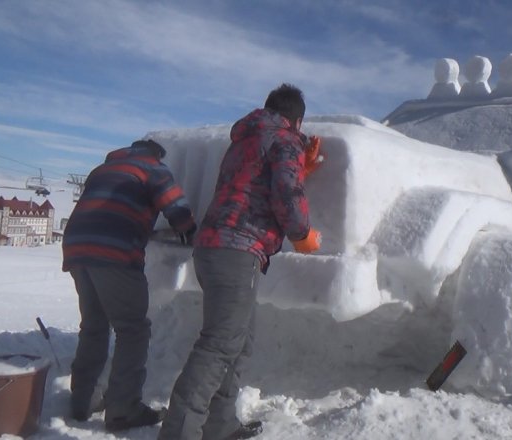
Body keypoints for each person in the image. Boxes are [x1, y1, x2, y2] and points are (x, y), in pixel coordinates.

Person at [158, 83, 323, 440]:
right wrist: (302, 233)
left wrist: (300, 168)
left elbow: (254, 184)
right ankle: (178, 432)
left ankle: (220, 425)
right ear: (296, 120)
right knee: (219, 343)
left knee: (239, 340)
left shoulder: (246, 139)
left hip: (215, 245)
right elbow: (286, 194)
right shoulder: (285, 140)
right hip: (238, 248)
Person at [62, 139, 197, 432]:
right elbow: (174, 204)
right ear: (156, 154)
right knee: (132, 329)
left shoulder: (103, 169)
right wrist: (189, 231)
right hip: (114, 250)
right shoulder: (153, 168)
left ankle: (82, 400)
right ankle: (123, 410)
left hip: (76, 248)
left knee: (94, 325)